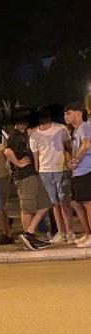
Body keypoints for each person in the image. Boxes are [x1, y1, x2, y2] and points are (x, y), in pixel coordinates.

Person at [5, 114, 52, 251]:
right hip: (24, 175)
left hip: (32, 173)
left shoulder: (23, 133)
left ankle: (29, 234)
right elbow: (7, 151)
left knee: (45, 203)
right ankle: (28, 237)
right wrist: (18, 163)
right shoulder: (14, 136)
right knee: (27, 208)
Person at [30, 109, 74, 243]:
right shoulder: (34, 135)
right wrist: (38, 171)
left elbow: (69, 146)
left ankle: (70, 232)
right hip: (45, 171)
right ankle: (61, 232)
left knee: (64, 202)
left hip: (60, 168)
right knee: (54, 203)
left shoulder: (60, 129)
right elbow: (36, 157)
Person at [65, 102, 91, 247]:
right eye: (65, 114)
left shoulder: (84, 127)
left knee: (88, 204)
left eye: (69, 113)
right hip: (79, 172)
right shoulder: (76, 131)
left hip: (86, 170)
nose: (66, 116)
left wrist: (75, 160)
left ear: (79, 113)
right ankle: (87, 233)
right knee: (76, 203)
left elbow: (86, 144)